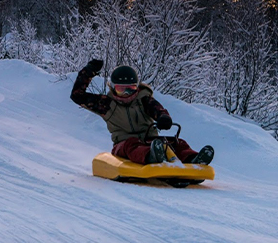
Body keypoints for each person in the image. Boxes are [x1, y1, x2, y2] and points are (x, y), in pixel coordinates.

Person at [71, 59, 214, 166]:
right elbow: (77, 95)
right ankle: (152, 157)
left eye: (131, 89)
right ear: (113, 88)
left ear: (137, 88)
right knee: (132, 145)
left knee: (176, 142)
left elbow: (157, 109)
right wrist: (88, 72)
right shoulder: (106, 104)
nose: (127, 94)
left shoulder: (143, 99)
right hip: (124, 144)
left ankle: (193, 159)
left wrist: (164, 118)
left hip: (150, 140)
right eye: (122, 90)